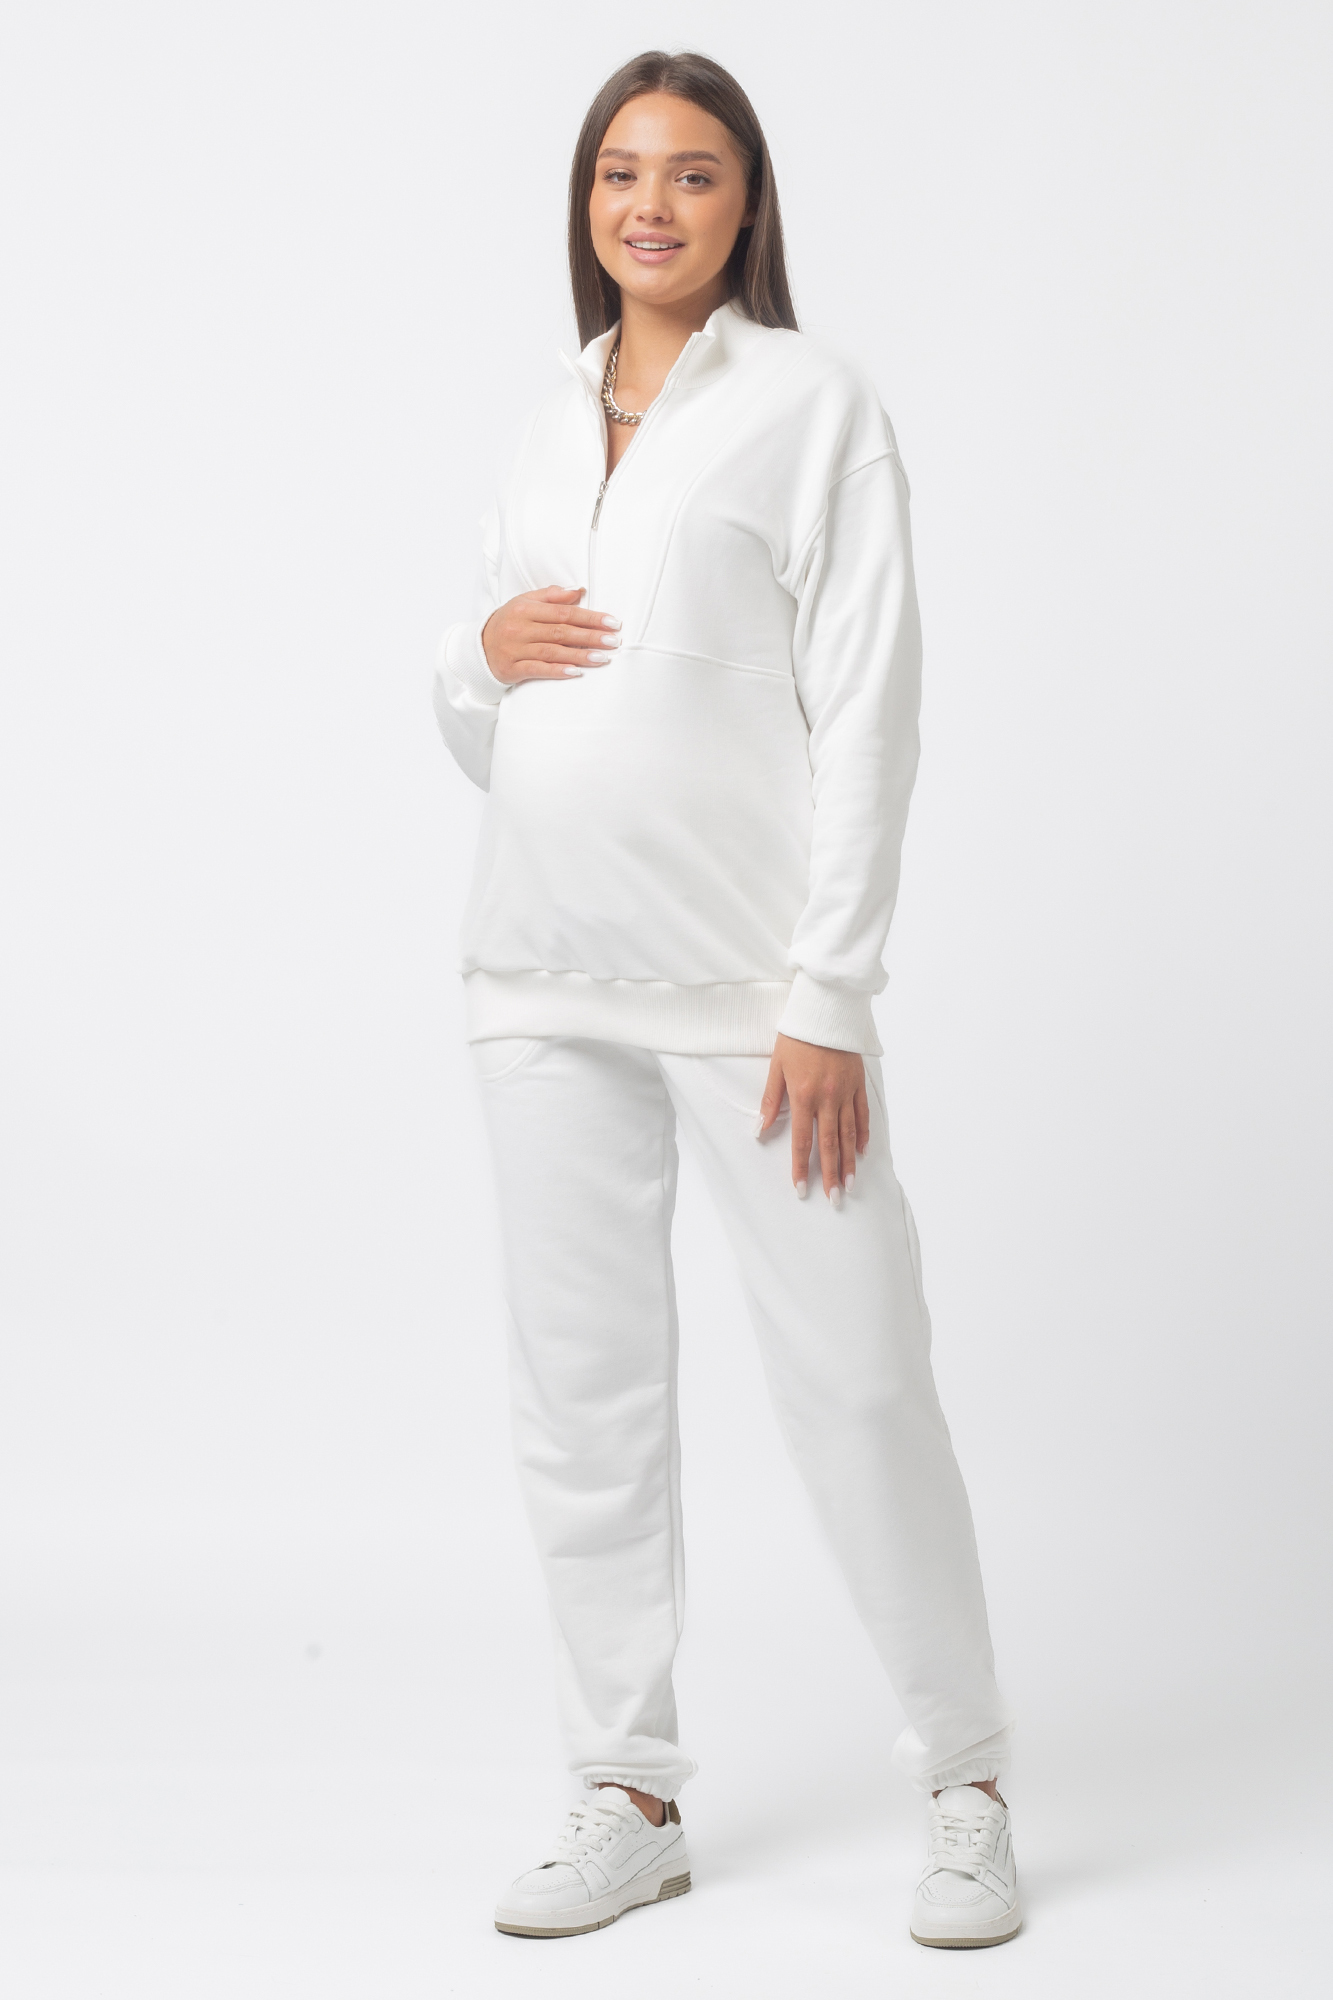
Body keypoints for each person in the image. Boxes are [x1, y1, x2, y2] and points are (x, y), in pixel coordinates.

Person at [433, 49, 1019, 1951]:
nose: (651, 205)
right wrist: (472, 657)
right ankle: (626, 1791)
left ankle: (966, 1780)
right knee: (582, 1401)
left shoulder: (810, 404)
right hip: (536, 977)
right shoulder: (543, 420)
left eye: (691, 174)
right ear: (585, 201)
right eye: (621, 172)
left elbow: (871, 706)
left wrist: (829, 989)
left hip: (753, 997)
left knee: (859, 1377)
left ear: (746, 202)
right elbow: (496, 718)